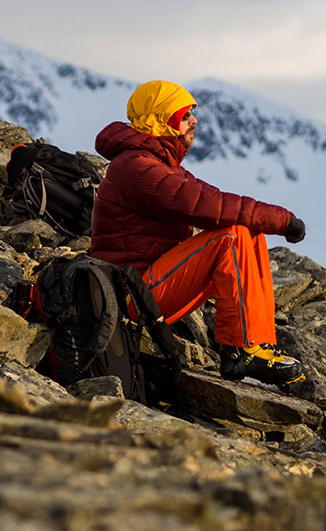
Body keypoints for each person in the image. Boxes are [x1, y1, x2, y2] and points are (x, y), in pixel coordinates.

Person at [90, 80, 307, 386]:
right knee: (229, 236)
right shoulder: (136, 168)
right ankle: (241, 350)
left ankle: (258, 343)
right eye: (185, 113)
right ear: (160, 119)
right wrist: (282, 220)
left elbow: (214, 200)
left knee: (250, 233)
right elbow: (211, 207)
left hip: (147, 287)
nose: (194, 120)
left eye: (193, 111)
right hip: (129, 296)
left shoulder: (161, 166)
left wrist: (269, 222)